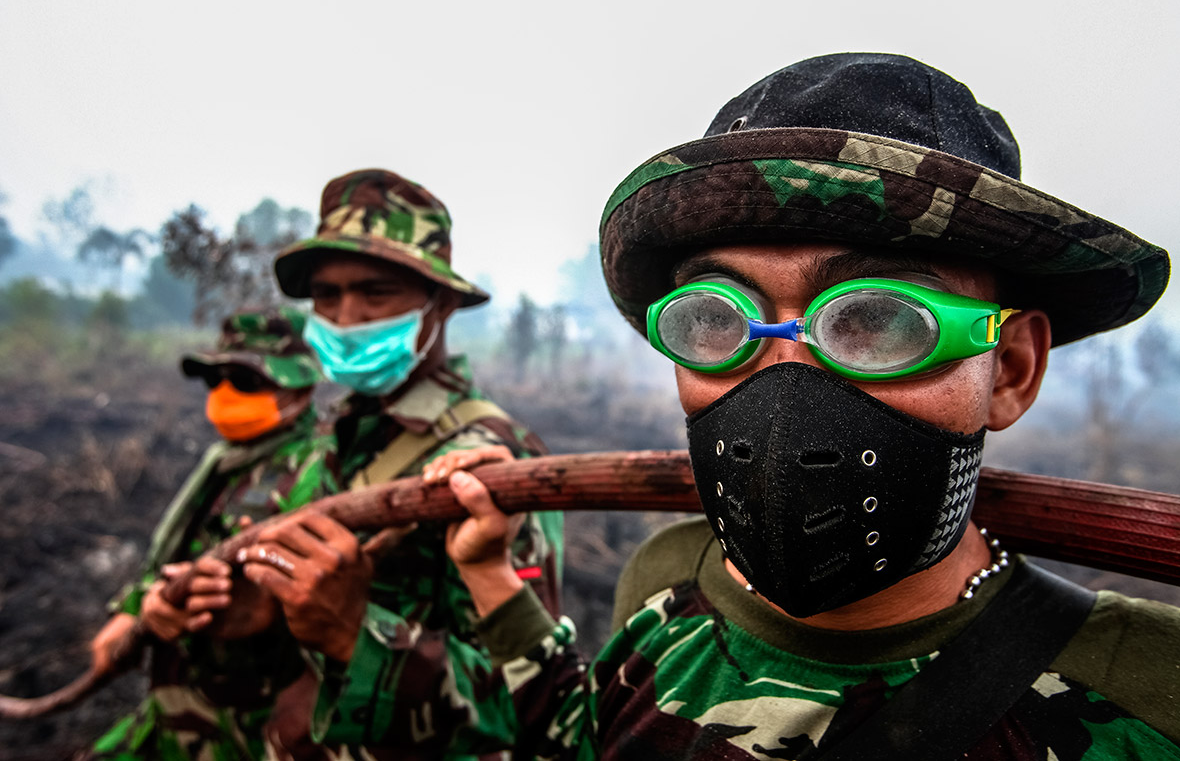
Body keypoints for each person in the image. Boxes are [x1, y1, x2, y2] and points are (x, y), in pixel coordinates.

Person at [438, 54, 1180, 758]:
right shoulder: (670, 578)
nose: (785, 389)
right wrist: (491, 574)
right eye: (718, 319)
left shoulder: (1149, 689)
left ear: (1010, 369)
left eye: (880, 319)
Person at [234, 168, 563, 759]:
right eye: (326, 296)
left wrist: (353, 634)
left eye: (375, 291)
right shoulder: (330, 443)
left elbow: (526, 704)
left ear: (440, 304)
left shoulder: (492, 457)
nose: (345, 315)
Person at [87, 307, 335, 760]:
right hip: (180, 700)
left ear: (299, 386)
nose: (224, 395)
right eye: (215, 379)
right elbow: (181, 548)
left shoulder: (317, 470)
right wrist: (137, 607)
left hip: (252, 724)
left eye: (245, 382)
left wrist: (187, 602)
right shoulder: (228, 461)